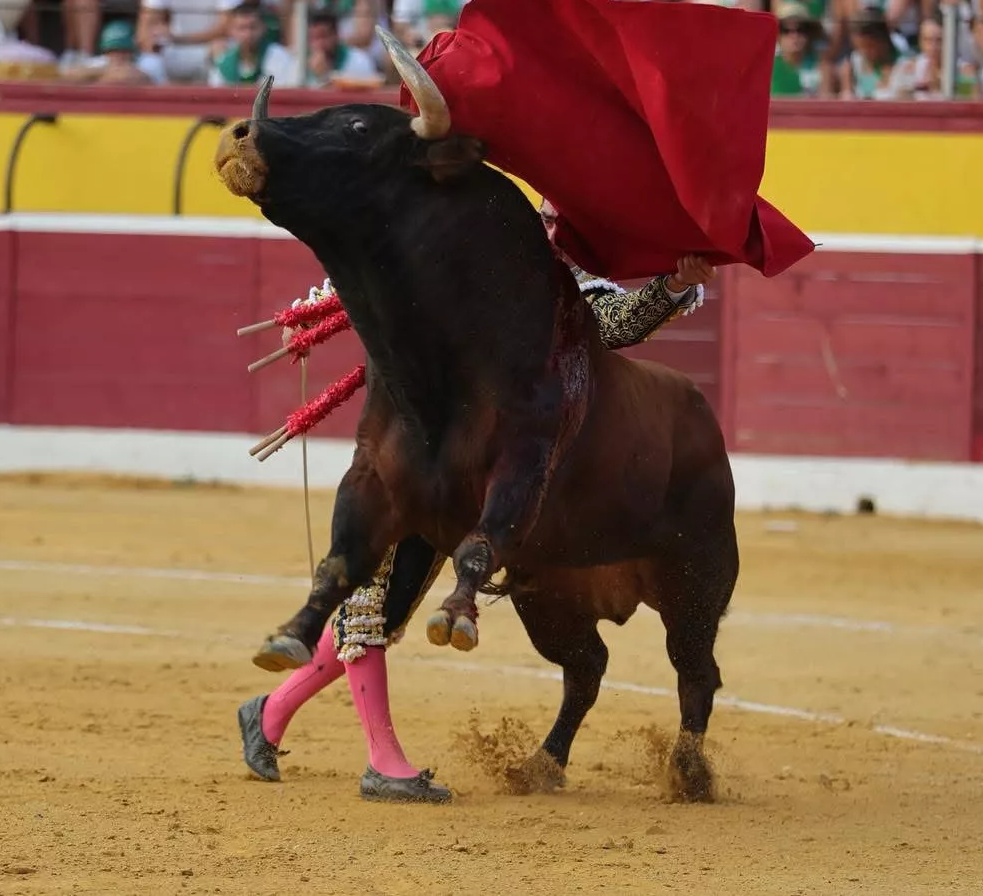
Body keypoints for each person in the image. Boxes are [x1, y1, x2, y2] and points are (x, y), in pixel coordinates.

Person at [237, 206, 716, 804]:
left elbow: (615, 325)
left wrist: (673, 284)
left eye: (560, 223)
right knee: (367, 607)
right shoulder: (479, 253)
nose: (546, 230)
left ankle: (269, 715)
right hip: (403, 459)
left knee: (379, 615)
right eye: (541, 216)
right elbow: (388, 261)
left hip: (465, 488)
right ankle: (381, 761)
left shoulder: (565, 298)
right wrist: (314, 314)